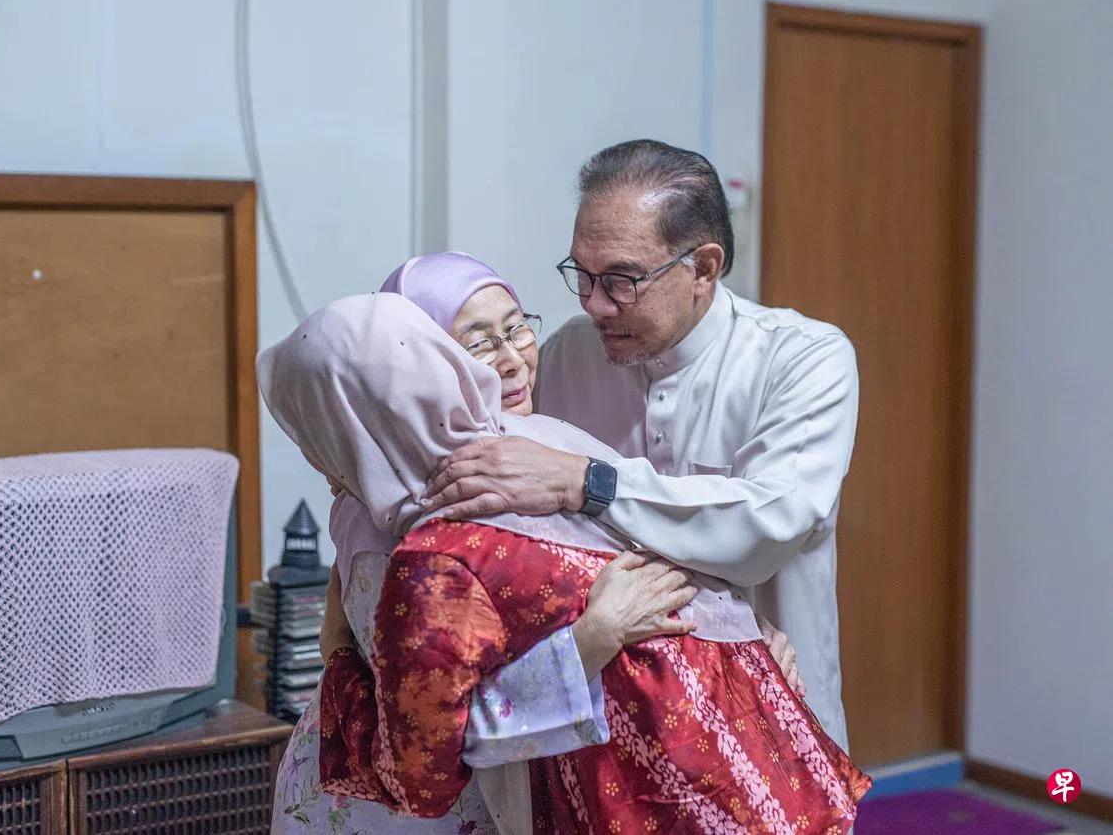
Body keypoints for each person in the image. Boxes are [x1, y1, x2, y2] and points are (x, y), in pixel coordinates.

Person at [259, 292, 870, 834]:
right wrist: (741, 635)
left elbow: (420, 774)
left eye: (514, 328)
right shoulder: (535, 462)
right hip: (742, 757)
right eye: (476, 342)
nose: (508, 359)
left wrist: (339, 660)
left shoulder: (453, 538)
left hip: (662, 780)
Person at [422, 140, 859, 750]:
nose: (594, 303)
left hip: (769, 716)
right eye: (582, 274)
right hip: (610, 735)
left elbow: (769, 526)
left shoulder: (802, 358)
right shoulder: (569, 355)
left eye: (621, 280)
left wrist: (586, 481)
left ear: (703, 268)